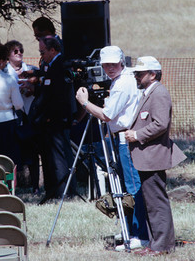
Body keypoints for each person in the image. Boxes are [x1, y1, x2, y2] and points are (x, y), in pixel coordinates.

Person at [75, 46, 149, 250]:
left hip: (125, 137)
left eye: (113, 64)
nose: (109, 68)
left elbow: (106, 115)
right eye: (105, 64)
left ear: (121, 62)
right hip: (121, 136)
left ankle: (140, 234)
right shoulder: (122, 80)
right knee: (127, 187)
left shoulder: (123, 83)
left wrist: (84, 103)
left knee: (133, 187)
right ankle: (131, 229)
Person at [124, 56, 187, 256]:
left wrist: (136, 135)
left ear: (153, 74)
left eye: (140, 73)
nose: (136, 76)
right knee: (152, 202)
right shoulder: (148, 92)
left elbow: (160, 124)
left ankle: (162, 246)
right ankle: (156, 243)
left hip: (153, 156)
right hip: (147, 157)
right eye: (135, 73)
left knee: (156, 202)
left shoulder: (159, 93)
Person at [29, 37, 77, 200]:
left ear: (52, 50)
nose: (41, 55)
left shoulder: (60, 65)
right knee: (53, 158)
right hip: (51, 120)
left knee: (60, 158)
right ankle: (56, 190)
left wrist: (48, 117)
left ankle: (64, 192)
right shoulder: (51, 66)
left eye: (43, 52)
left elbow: (58, 96)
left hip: (57, 120)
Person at [4, 40, 40, 190]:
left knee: (33, 153)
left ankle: (35, 185)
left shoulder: (33, 70)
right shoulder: (3, 73)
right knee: (11, 154)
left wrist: (31, 86)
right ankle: (12, 187)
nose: (19, 53)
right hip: (11, 116)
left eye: (21, 50)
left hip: (30, 115)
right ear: (8, 55)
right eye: (15, 51)